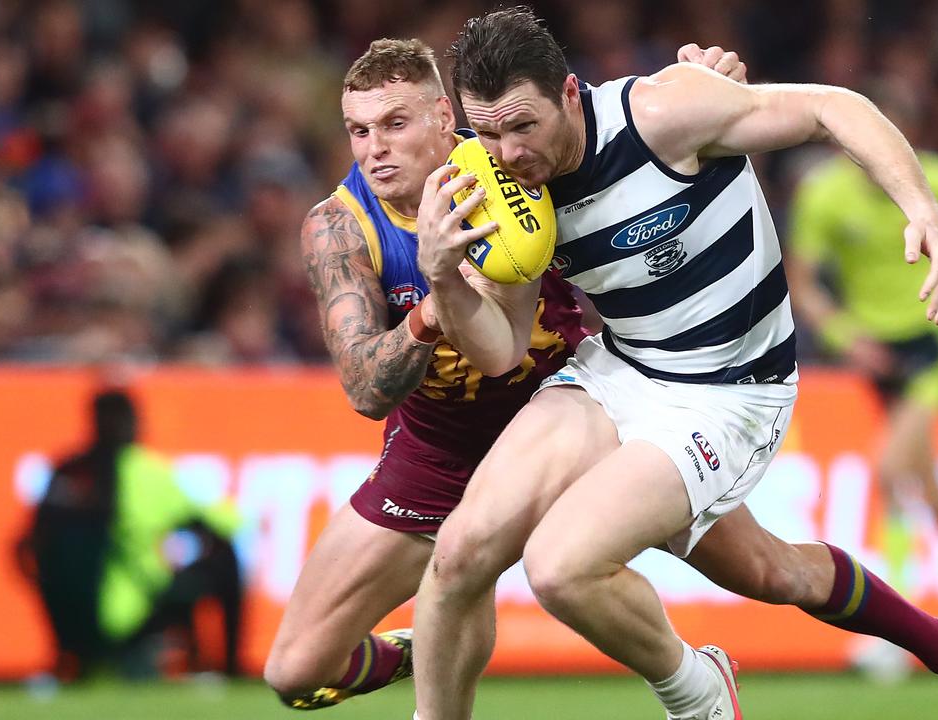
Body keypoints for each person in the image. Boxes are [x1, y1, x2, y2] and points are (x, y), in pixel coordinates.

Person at [411, 8, 938, 720]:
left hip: (730, 392)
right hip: (621, 371)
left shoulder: (664, 114)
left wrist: (924, 209)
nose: (506, 153)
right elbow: (504, 349)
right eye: (487, 131)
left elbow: (829, 106)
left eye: (522, 126)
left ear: (570, 93)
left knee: (561, 568)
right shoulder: (501, 193)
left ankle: (697, 696)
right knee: (462, 553)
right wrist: (444, 278)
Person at [263, 37, 786, 711]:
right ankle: (436, 640)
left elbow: (606, 134)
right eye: (358, 131)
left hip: (560, 417)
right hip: (438, 451)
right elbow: (365, 391)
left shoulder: (510, 159)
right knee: (294, 673)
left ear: (443, 115)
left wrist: (706, 87)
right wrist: (434, 301)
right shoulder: (340, 225)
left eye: (394, 124)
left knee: (769, 571)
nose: (374, 149)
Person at [786, 87, 938, 657]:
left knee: (890, 468)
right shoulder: (824, 195)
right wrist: (847, 336)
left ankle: (896, 632)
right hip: (880, 353)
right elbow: (803, 279)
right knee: (924, 488)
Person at [19, 389, 242, 679]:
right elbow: (225, 524)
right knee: (226, 558)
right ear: (134, 423)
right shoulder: (145, 471)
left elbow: (26, 546)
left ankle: (69, 655)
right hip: (142, 603)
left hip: (79, 612)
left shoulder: (69, 472)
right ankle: (224, 667)